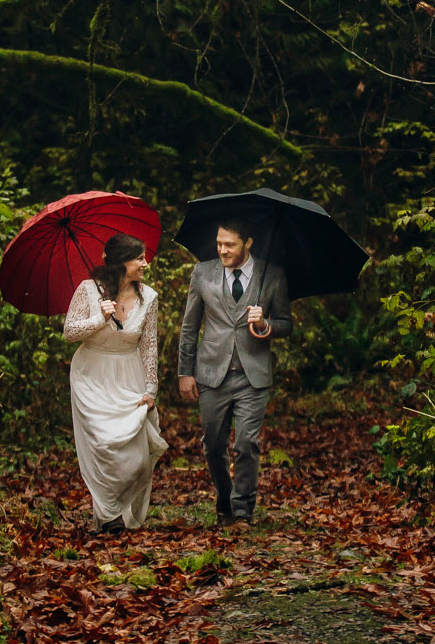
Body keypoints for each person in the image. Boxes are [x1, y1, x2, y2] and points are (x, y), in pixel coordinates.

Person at [176, 220, 293, 527]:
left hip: (252, 376)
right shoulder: (202, 273)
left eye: (230, 244)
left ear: (248, 243)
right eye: (219, 244)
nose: (222, 250)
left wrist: (266, 325)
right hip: (212, 373)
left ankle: (242, 509)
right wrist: (184, 373)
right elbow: (189, 328)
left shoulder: (273, 275)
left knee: (246, 444)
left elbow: (286, 323)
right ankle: (225, 496)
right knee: (213, 444)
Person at [63, 232, 168, 533]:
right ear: (121, 262)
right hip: (91, 375)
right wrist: (99, 318)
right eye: (138, 258)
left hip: (128, 374)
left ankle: (120, 508)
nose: (145, 264)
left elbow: (149, 346)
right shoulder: (89, 291)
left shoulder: (149, 298)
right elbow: (69, 331)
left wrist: (151, 389)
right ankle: (108, 515)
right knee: (103, 445)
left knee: (135, 456)